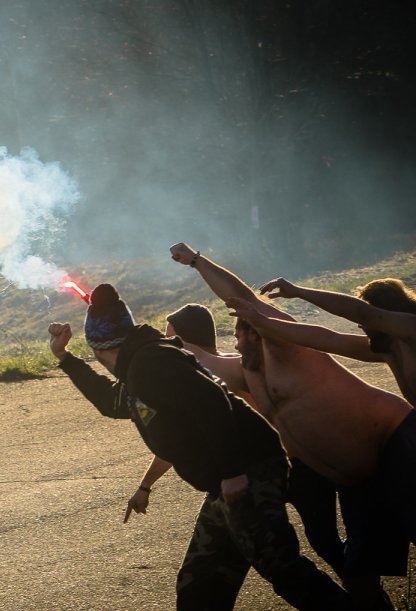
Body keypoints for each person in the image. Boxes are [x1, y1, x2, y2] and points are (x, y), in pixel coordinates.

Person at [49, 283, 350, 609]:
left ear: (106, 348)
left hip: (249, 473)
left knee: (285, 571)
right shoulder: (140, 367)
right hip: (226, 485)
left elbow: (212, 401)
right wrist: (64, 357)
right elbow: (111, 401)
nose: (99, 361)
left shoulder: (152, 362)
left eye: (96, 354)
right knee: (200, 587)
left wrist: (233, 473)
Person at [170, 242, 415, 607]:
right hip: (353, 471)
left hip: (394, 443)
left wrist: (196, 261)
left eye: (240, 332)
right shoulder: (246, 373)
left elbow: (241, 296)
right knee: (357, 567)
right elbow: (194, 361)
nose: (234, 342)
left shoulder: (286, 346)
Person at [126, 303, 348, 582]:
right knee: (290, 547)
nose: (164, 341)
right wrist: (145, 485)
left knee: (317, 544)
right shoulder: (203, 372)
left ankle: (365, 598)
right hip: (261, 469)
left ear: (184, 339)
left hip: (291, 466)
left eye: (170, 336)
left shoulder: (230, 368)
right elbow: (177, 446)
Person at [248, 276, 416, 407]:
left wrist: (299, 291)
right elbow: (327, 339)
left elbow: (361, 312)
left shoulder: (411, 329)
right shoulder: (388, 349)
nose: (359, 325)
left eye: (366, 321)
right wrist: (263, 322)